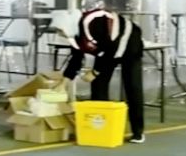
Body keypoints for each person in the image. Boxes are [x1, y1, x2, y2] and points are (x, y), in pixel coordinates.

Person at [50, 9, 146, 144]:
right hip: (109, 51)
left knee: (132, 86)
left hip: (129, 43)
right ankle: (101, 125)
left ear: (67, 25)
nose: (60, 34)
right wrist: (64, 82)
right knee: (98, 83)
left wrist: (95, 71)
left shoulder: (92, 23)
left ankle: (138, 132)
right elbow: (76, 59)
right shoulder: (75, 36)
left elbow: (111, 48)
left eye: (60, 30)